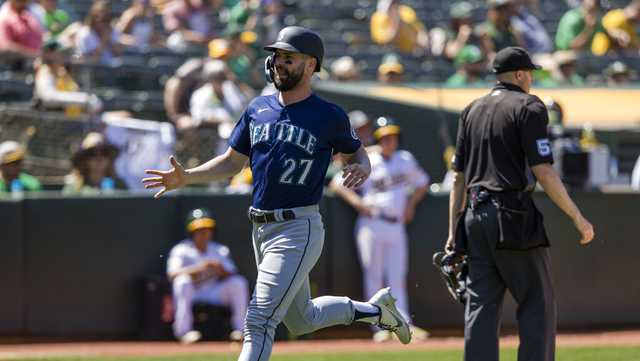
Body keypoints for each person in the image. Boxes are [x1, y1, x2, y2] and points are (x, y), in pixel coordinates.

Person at [143, 26, 413, 361]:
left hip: (298, 228)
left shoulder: (328, 115)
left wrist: (364, 167)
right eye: (276, 56)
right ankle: (377, 312)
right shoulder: (257, 108)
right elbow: (231, 162)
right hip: (262, 228)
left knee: (258, 319)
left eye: (288, 58)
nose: (278, 63)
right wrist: (188, 177)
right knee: (302, 320)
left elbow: (358, 152)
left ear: (311, 65)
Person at [444, 46, 594, 361]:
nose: (532, 80)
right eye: (531, 74)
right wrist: (577, 217)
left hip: (474, 214)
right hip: (510, 214)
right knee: (537, 303)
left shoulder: (471, 109)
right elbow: (543, 171)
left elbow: (458, 178)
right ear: (520, 74)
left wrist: (453, 232)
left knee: (481, 307)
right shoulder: (529, 106)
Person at [330, 116, 430, 343]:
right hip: (372, 223)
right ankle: (379, 327)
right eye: (384, 137)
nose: (389, 141)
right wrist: (358, 204)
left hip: (396, 225)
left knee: (397, 277)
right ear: (377, 139)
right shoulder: (369, 160)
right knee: (374, 276)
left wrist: (412, 204)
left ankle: (404, 324)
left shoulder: (405, 159)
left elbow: (423, 182)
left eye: (392, 136)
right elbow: (337, 183)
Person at [167, 208, 250, 343]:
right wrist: (200, 268)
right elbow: (172, 274)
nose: (204, 233)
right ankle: (184, 333)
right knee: (182, 282)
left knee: (238, 282)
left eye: (207, 229)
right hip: (193, 291)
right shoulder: (181, 250)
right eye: (199, 230)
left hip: (213, 291)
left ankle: (240, 331)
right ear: (192, 232)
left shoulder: (219, 250)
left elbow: (232, 273)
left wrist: (220, 269)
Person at [189, 59, 250, 154]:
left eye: (222, 77)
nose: (220, 80)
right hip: (213, 130)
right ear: (209, 78)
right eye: (216, 77)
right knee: (226, 131)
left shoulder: (230, 88)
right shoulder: (201, 94)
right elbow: (198, 118)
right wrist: (222, 121)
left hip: (235, 126)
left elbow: (243, 107)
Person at [34, 39, 102, 117]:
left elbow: (74, 92)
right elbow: (49, 98)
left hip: (69, 121)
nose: (65, 55)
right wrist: (84, 99)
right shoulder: (45, 72)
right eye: (61, 53)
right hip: (48, 123)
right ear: (49, 54)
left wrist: (88, 100)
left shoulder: (62, 72)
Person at [74, 0, 124, 66]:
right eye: (97, 18)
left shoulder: (113, 31)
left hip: (111, 70)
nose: (101, 23)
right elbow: (95, 58)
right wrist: (104, 39)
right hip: (89, 69)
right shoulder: (85, 33)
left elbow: (118, 54)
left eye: (105, 20)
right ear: (92, 18)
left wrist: (109, 40)